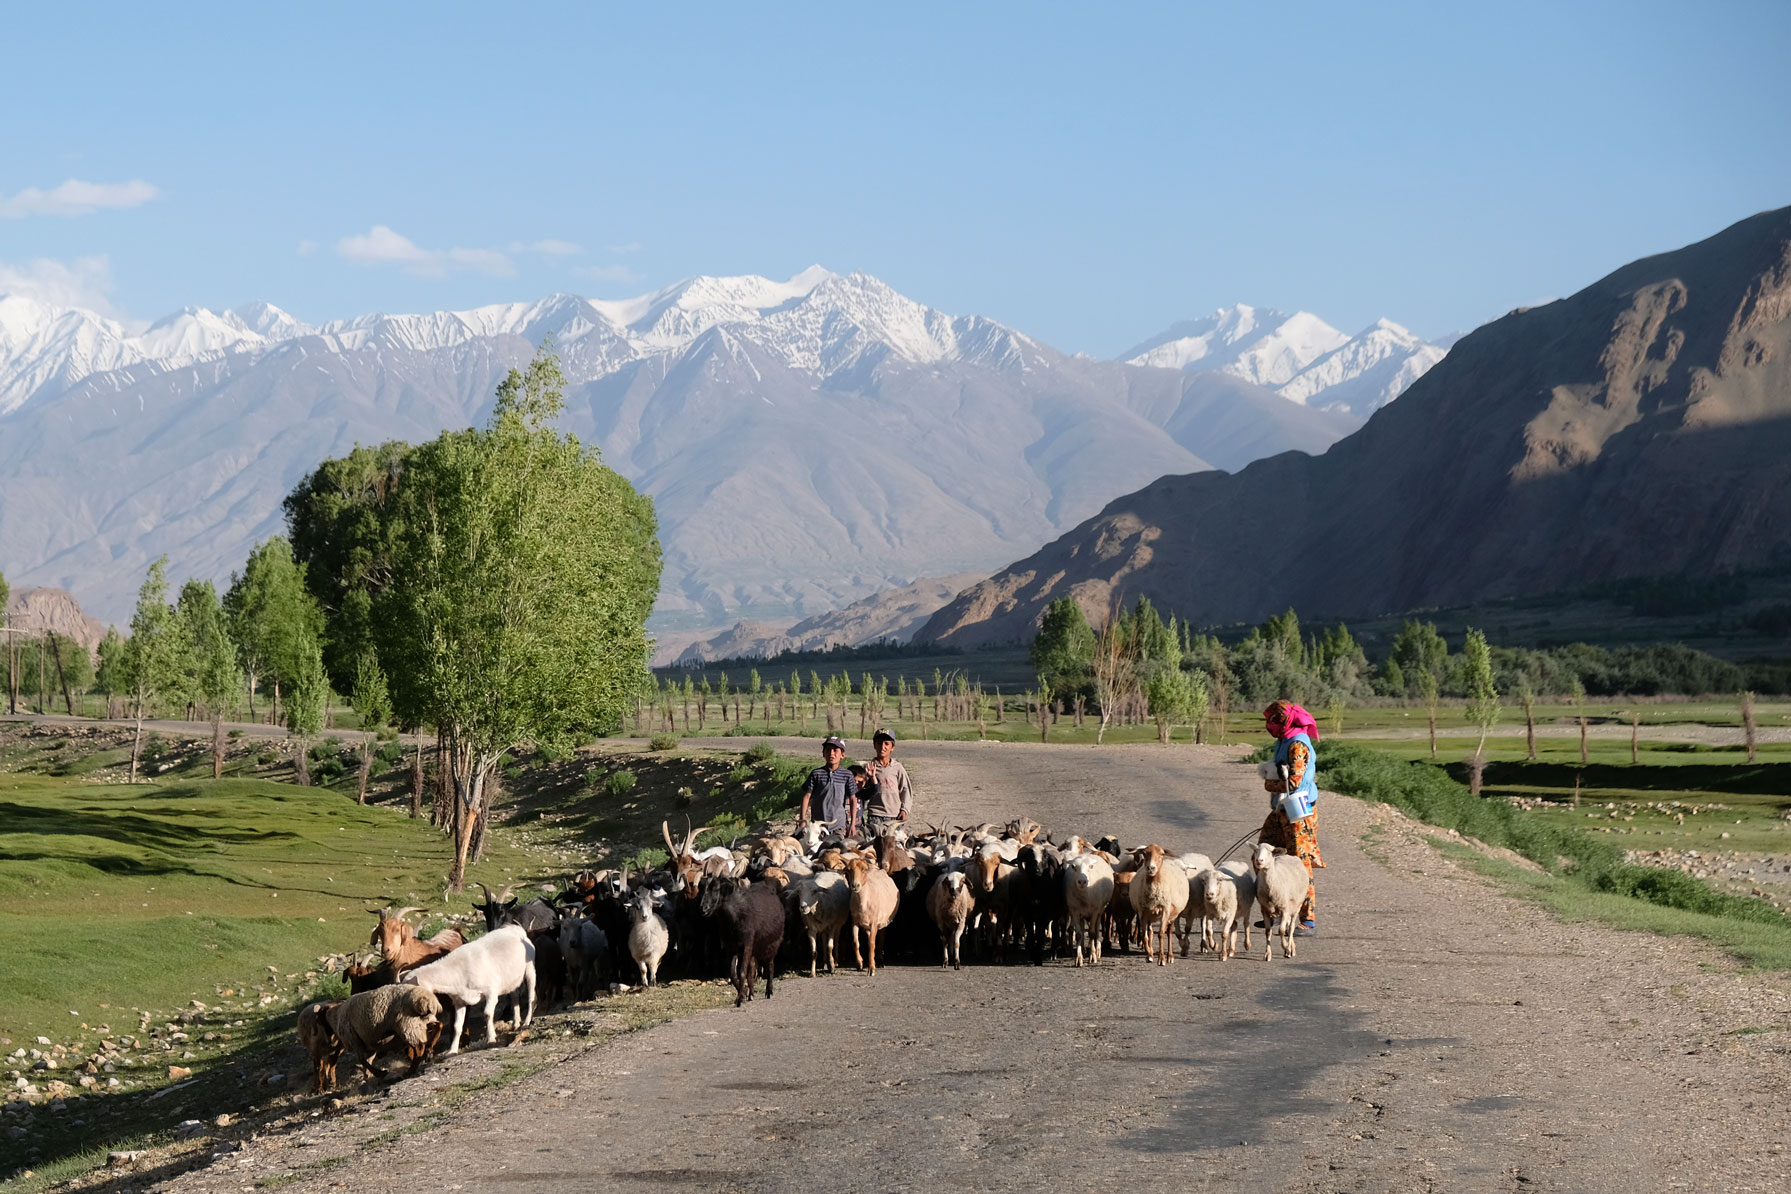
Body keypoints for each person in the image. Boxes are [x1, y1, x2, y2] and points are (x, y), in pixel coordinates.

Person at [1260, 698, 1324, 934]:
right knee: (1266, 853)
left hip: (1299, 812)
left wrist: (1269, 784)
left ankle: (1307, 919)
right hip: (1282, 810)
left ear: (1281, 720)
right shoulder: (1283, 740)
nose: (1269, 726)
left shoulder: (1297, 744)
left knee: (1299, 862)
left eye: (1271, 721)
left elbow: (1294, 782)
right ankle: (1277, 910)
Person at [800, 735, 859, 837]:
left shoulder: (847, 775)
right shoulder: (816, 774)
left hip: (838, 825)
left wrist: (852, 824)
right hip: (817, 826)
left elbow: (853, 799)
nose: (831, 753)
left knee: (835, 849)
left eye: (835, 750)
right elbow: (806, 797)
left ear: (842, 755)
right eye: (828, 750)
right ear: (823, 753)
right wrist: (802, 820)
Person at [860, 728, 914, 839]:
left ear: (892, 747)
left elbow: (906, 789)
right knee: (875, 845)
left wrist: (905, 809)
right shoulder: (869, 766)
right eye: (879, 743)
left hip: (894, 815)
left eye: (886, 744)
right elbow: (862, 791)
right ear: (874, 745)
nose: (882, 747)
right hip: (875, 814)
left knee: (893, 845)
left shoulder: (897, 767)